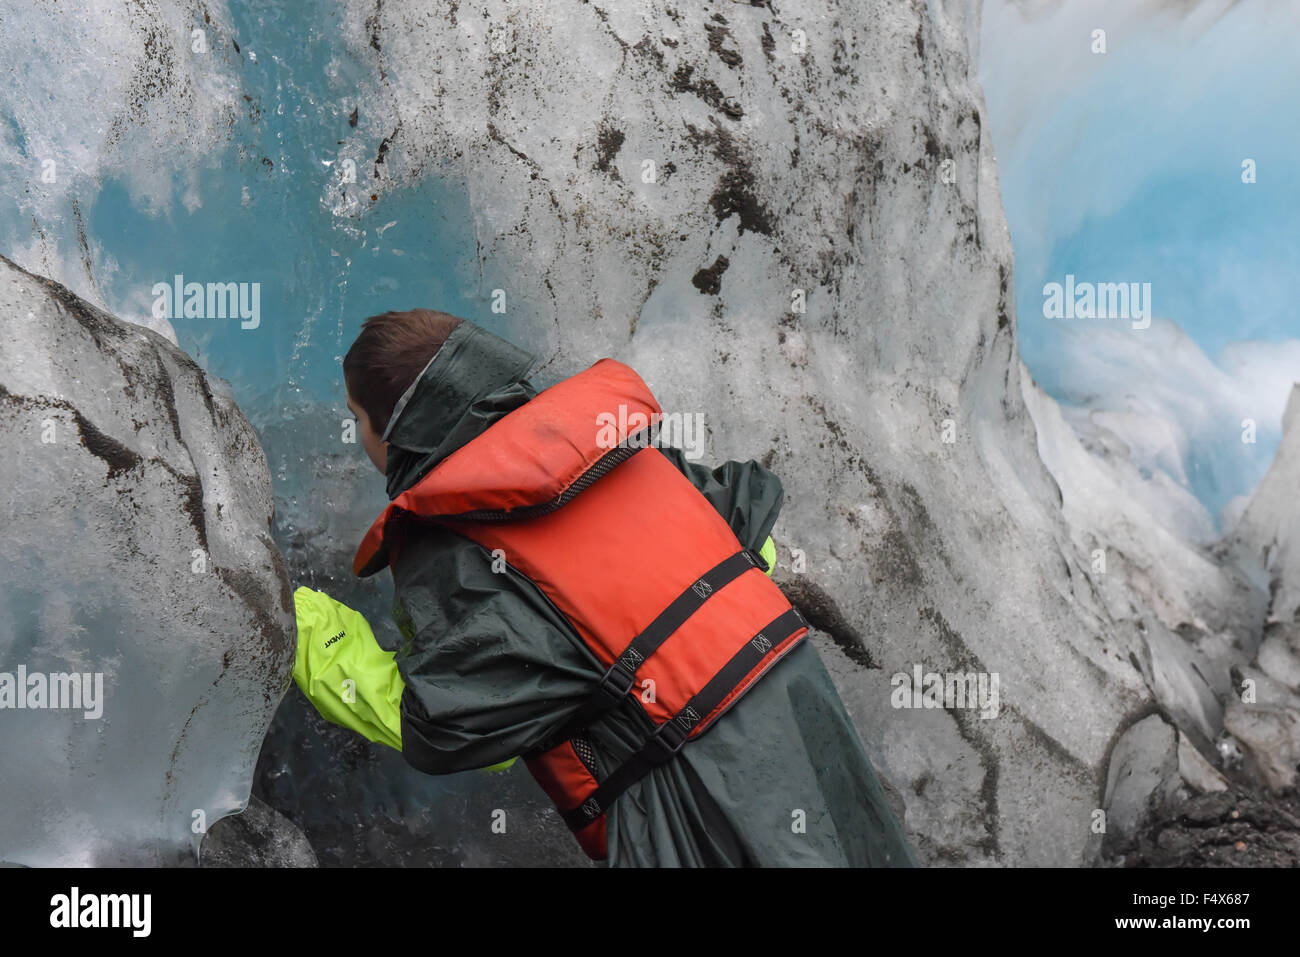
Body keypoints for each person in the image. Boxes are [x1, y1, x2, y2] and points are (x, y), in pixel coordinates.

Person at [292, 307, 917, 867]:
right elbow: (751, 546)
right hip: (802, 716)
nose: (356, 438)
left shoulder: (457, 541)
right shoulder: (614, 450)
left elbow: (456, 716)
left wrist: (301, 628)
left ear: (395, 428)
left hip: (696, 791)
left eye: (357, 419)